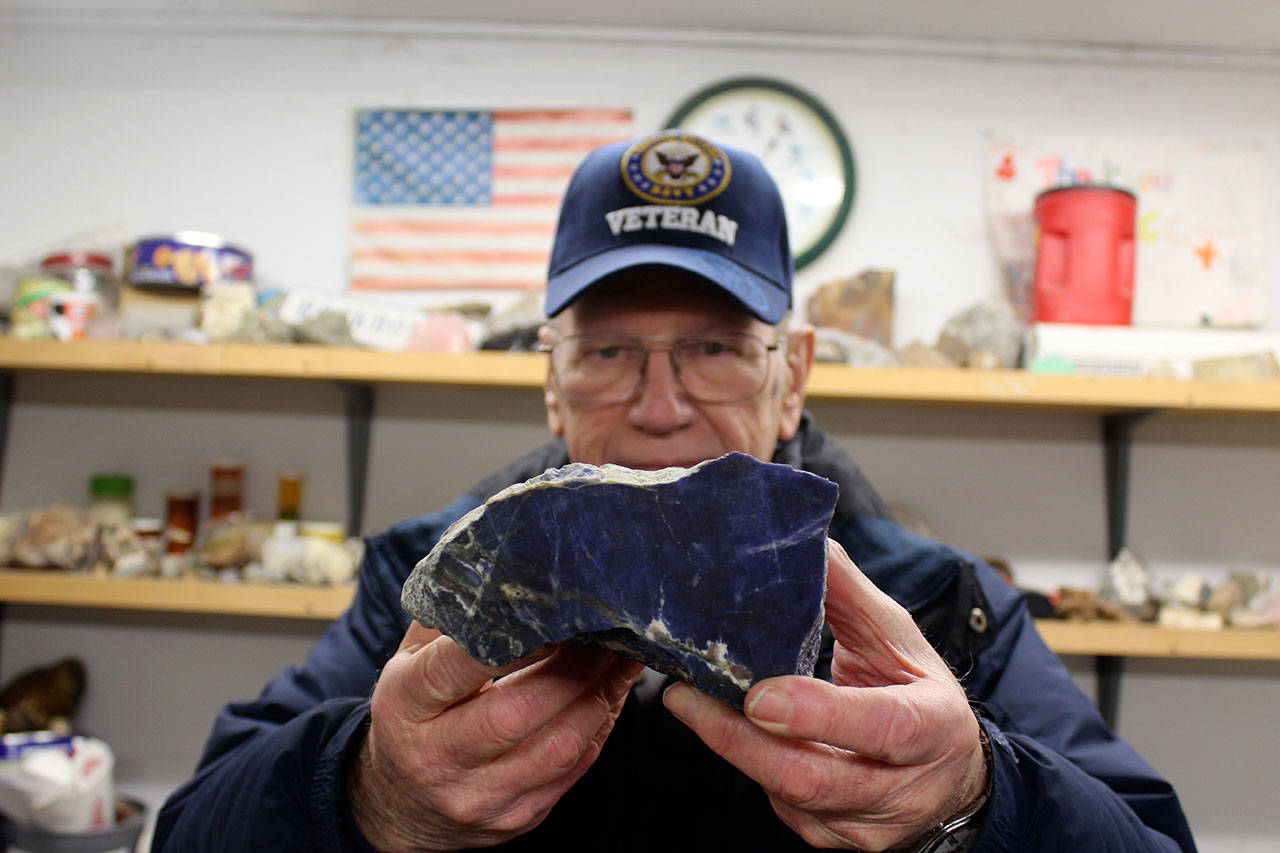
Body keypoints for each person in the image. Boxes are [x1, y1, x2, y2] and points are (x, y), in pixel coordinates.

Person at [153, 131, 1195, 852]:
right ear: (549, 385)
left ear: (793, 377)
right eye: (607, 350)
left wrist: (973, 799)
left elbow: (1147, 834)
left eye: (713, 348)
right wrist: (370, 791)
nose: (659, 407)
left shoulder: (931, 606)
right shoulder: (421, 587)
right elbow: (193, 828)